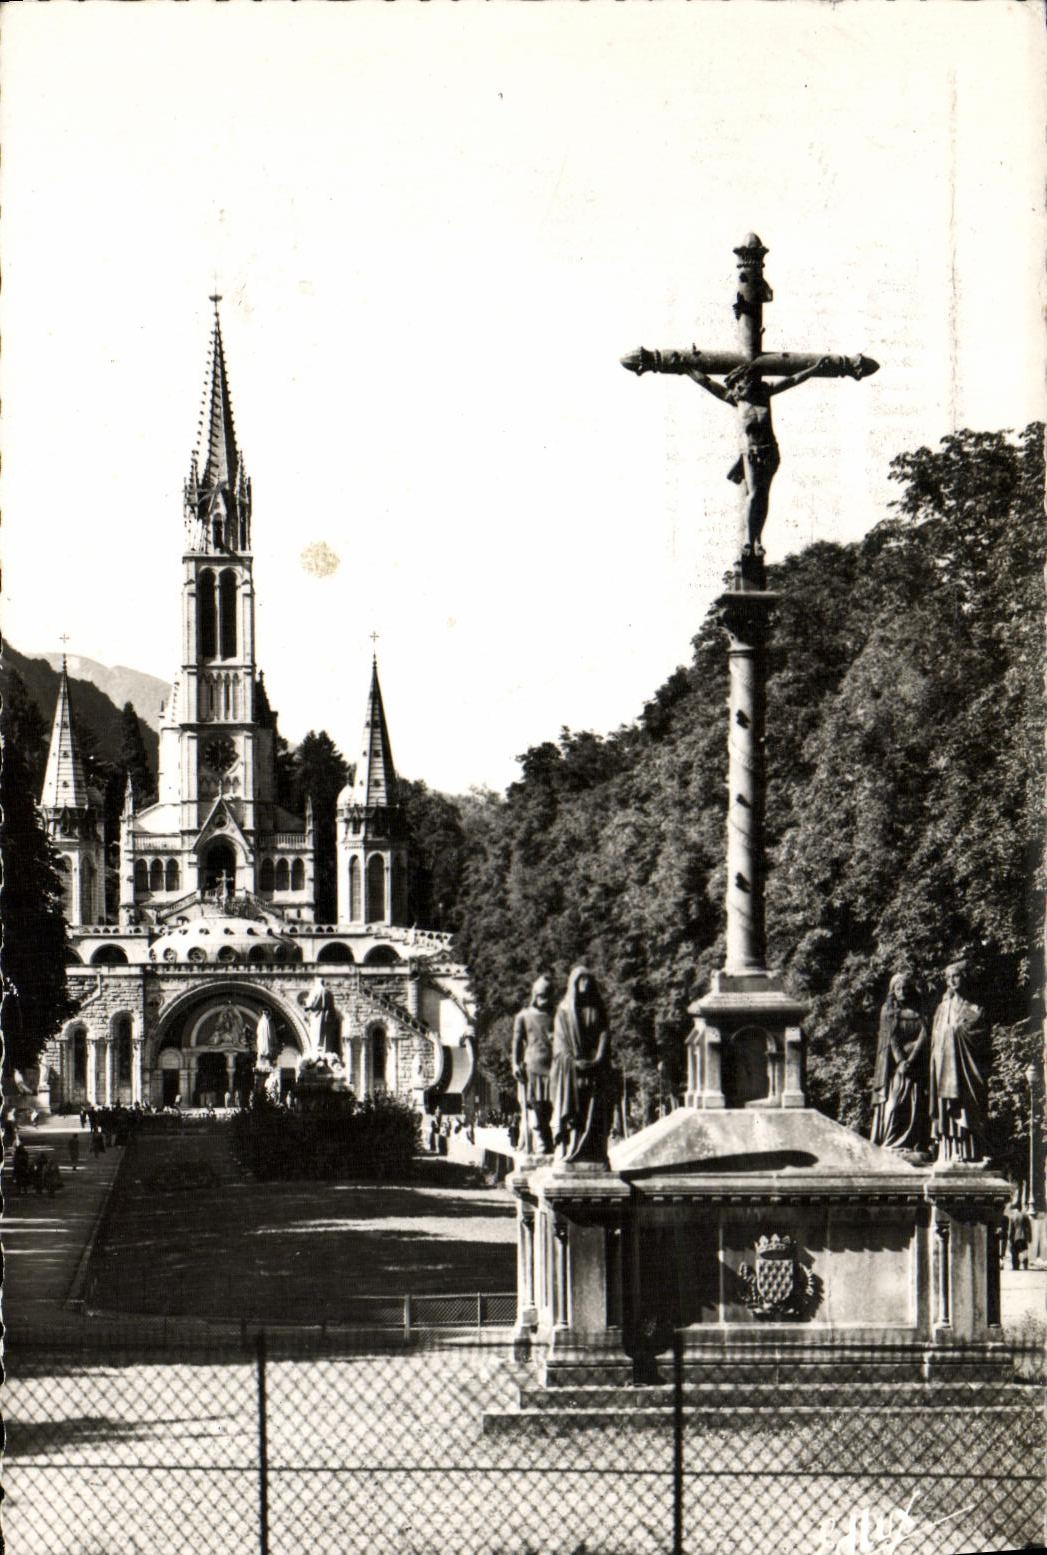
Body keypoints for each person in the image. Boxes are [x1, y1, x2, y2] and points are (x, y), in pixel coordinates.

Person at [684, 357, 844, 555]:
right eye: (745, 380)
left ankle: (758, 539)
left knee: (763, 495)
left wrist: (814, 369)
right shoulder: (735, 398)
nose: (749, 383)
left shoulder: (765, 393)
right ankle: (750, 541)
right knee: (754, 495)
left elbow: (793, 380)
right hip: (751, 453)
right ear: (739, 382)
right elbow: (706, 382)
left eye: (751, 379)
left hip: (770, 451)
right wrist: (687, 368)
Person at [550, 966, 615, 1166]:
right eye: (581, 980)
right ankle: (571, 1150)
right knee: (575, 1114)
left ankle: (593, 1154)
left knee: (594, 1113)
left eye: (588, 980)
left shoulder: (598, 1009)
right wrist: (573, 1061)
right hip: (573, 1071)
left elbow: (604, 1034)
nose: (585, 984)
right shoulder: (564, 1011)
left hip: (595, 1069)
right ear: (574, 983)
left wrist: (599, 1057)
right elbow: (559, 1044)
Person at [929, 958, 988, 1163]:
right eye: (947, 977)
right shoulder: (942, 1008)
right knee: (948, 1109)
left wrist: (954, 1032)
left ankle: (970, 1153)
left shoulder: (974, 1007)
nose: (951, 981)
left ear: (964, 977)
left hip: (966, 1071)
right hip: (945, 1068)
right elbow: (935, 1038)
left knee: (968, 1107)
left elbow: (978, 1035)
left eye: (955, 976)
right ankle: (949, 1153)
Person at [869, 971, 929, 1153]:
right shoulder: (888, 1011)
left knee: (917, 1105)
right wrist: (901, 1061)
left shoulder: (920, 1011)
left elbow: (924, 1035)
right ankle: (890, 1142)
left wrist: (911, 1058)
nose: (902, 991)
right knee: (894, 1104)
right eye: (898, 988)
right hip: (896, 1068)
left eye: (905, 988)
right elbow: (890, 1037)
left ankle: (912, 1144)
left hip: (917, 1065)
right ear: (892, 991)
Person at [511, 974, 555, 1155]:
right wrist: (515, 1064)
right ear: (534, 995)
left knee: (552, 1106)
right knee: (536, 1106)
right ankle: (543, 1140)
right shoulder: (523, 1016)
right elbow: (516, 1042)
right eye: (540, 995)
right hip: (533, 1067)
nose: (543, 1000)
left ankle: (548, 1138)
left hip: (553, 1068)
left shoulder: (556, 1016)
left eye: (547, 995)